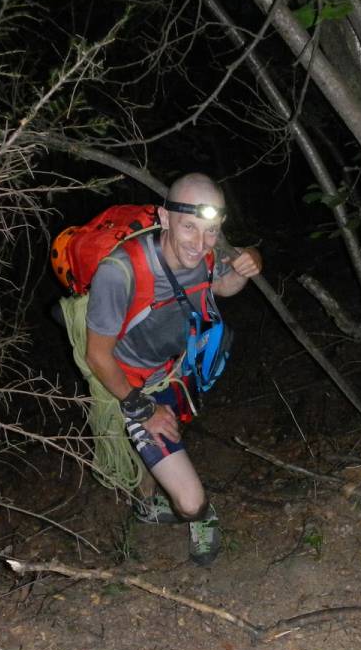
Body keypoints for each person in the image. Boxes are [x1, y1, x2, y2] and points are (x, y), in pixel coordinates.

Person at [84, 173, 263, 566]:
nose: (199, 245)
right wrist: (142, 409)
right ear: (164, 218)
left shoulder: (205, 254)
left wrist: (250, 261)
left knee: (162, 442)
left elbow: (221, 286)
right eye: (189, 228)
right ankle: (200, 514)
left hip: (174, 372)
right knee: (188, 499)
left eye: (211, 231)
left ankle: (149, 500)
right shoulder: (120, 272)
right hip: (128, 386)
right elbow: (97, 355)